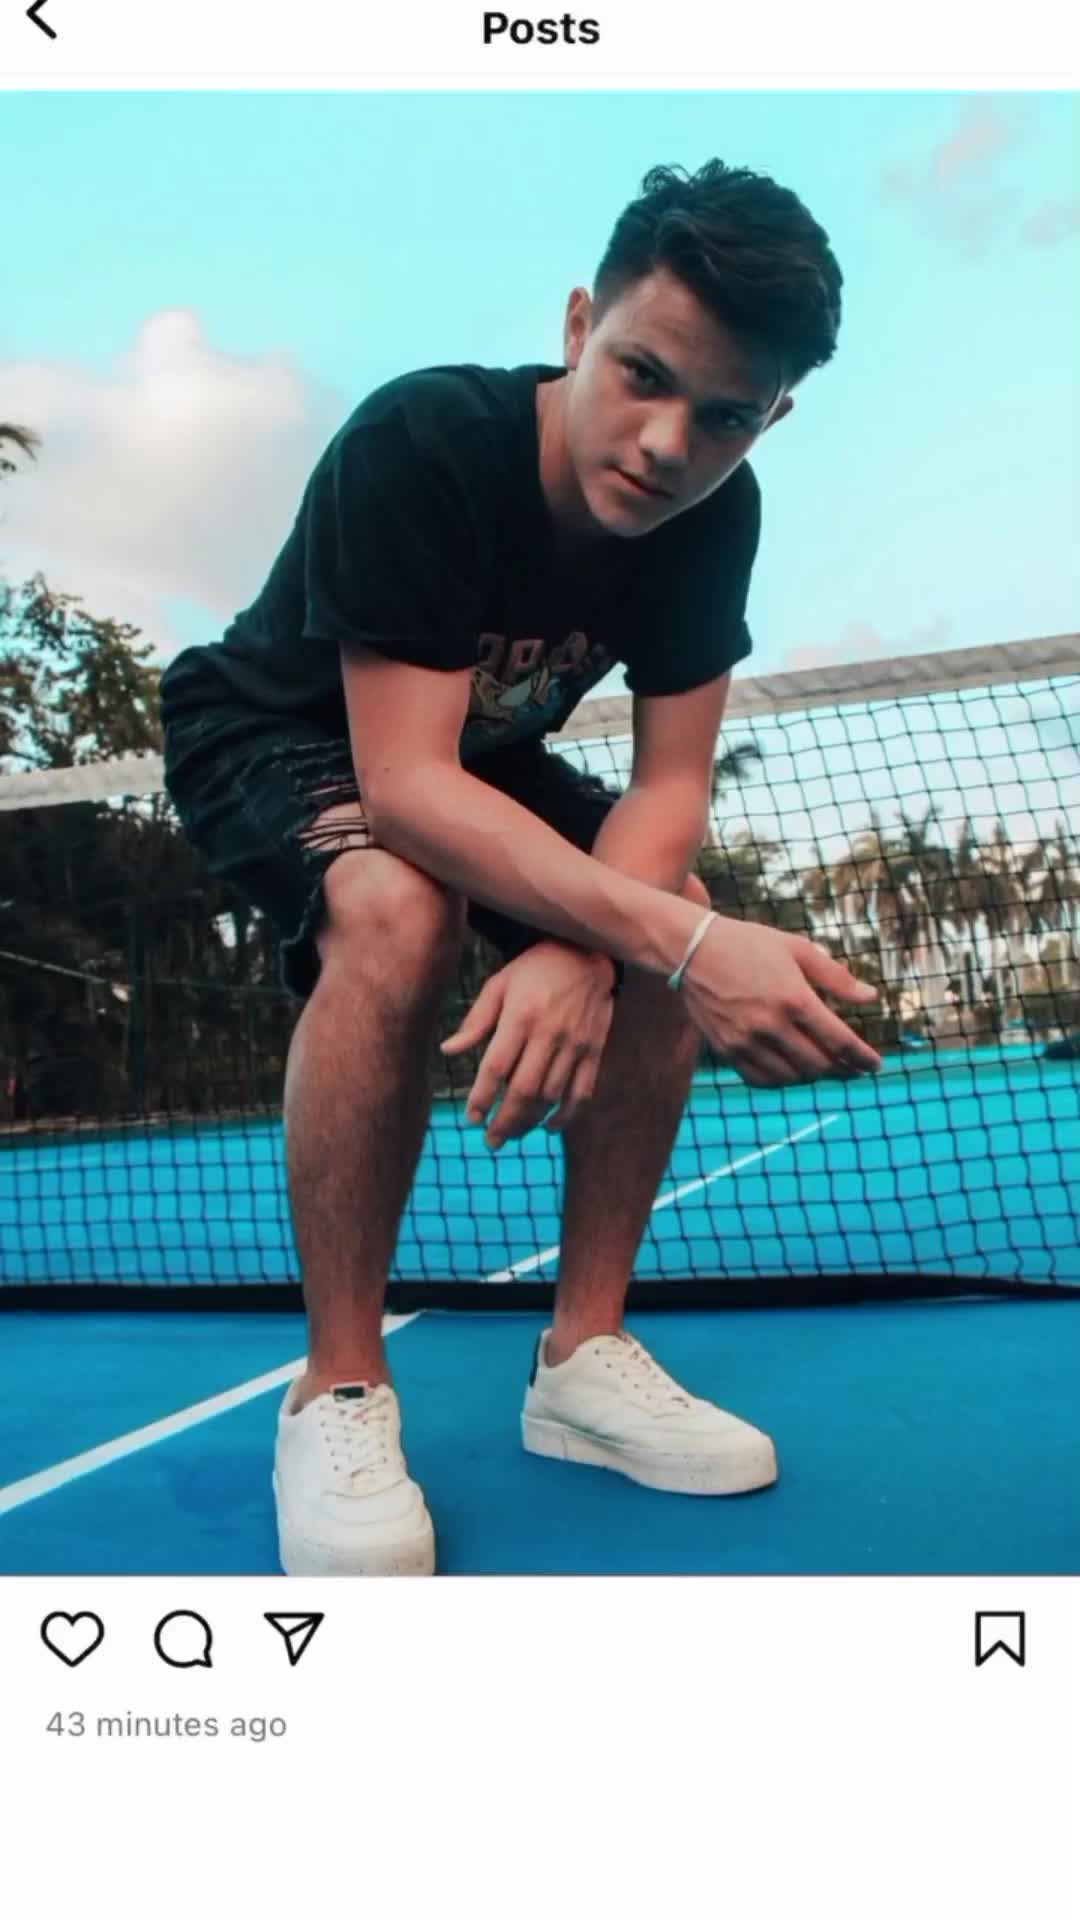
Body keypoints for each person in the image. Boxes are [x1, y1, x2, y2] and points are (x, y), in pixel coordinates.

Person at [160, 159, 882, 1577]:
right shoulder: (425, 440)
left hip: (473, 756)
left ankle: (581, 1359)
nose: (667, 445)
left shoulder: (714, 519)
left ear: (772, 418)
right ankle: (338, 1389)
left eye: (725, 417)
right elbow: (404, 785)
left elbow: (669, 787)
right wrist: (644, 940)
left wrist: (594, 945)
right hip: (276, 729)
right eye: (643, 376)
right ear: (576, 327)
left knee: (667, 909)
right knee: (398, 906)